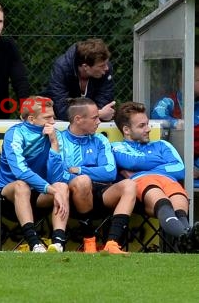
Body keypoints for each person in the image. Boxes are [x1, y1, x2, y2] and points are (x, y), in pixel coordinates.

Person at [111, 101, 199, 252]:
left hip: (167, 181)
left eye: (147, 124)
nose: (148, 129)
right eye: (142, 126)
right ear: (126, 130)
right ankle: (187, 237)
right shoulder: (117, 147)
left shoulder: (162, 145)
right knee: (160, 197)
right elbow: (130, 161)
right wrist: (160, 164)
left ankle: (186, 238)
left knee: (179, 197)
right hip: (142, 184)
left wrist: (143, 168)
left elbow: (179, 168)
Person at [60, 97, 136, 254]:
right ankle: (89, 242)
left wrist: (79, 170)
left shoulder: (100, 139)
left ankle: (112, 243)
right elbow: (58, 171)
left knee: (130, 185)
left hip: (100, 193)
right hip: (69, 197)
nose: (98, 122)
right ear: (78, 119)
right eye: (95, 117)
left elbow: (109, 172)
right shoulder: (59, 139)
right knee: (83, 182)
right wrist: (83, 175)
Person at [0, 96, 69, 252]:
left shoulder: (55, 134)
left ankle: (58, 243)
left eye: (53, 116)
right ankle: (35, 243)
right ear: (31, 119)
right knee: (23, 185)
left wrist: (54, 143)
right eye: (48, 117)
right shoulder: (14, 133)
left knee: (61, 186)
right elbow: (20, 172)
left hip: (42, 192)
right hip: (11, 191)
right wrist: (52, 190)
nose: (53, 122)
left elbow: (56, 177)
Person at [43, 38, 115, 122]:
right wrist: (99, 114)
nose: (106, 68)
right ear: (85, 67)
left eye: (106, 63)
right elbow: (61, 109)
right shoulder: (62, 68)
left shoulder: (106, 69)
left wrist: (98, 114)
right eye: (101, 66)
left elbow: (105, 103)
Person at [151, 62, 199, 178]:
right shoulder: (170, 101)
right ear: (184, 82)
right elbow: (157, 113)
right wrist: (175, 123)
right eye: (198, 80)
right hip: (175, 153)